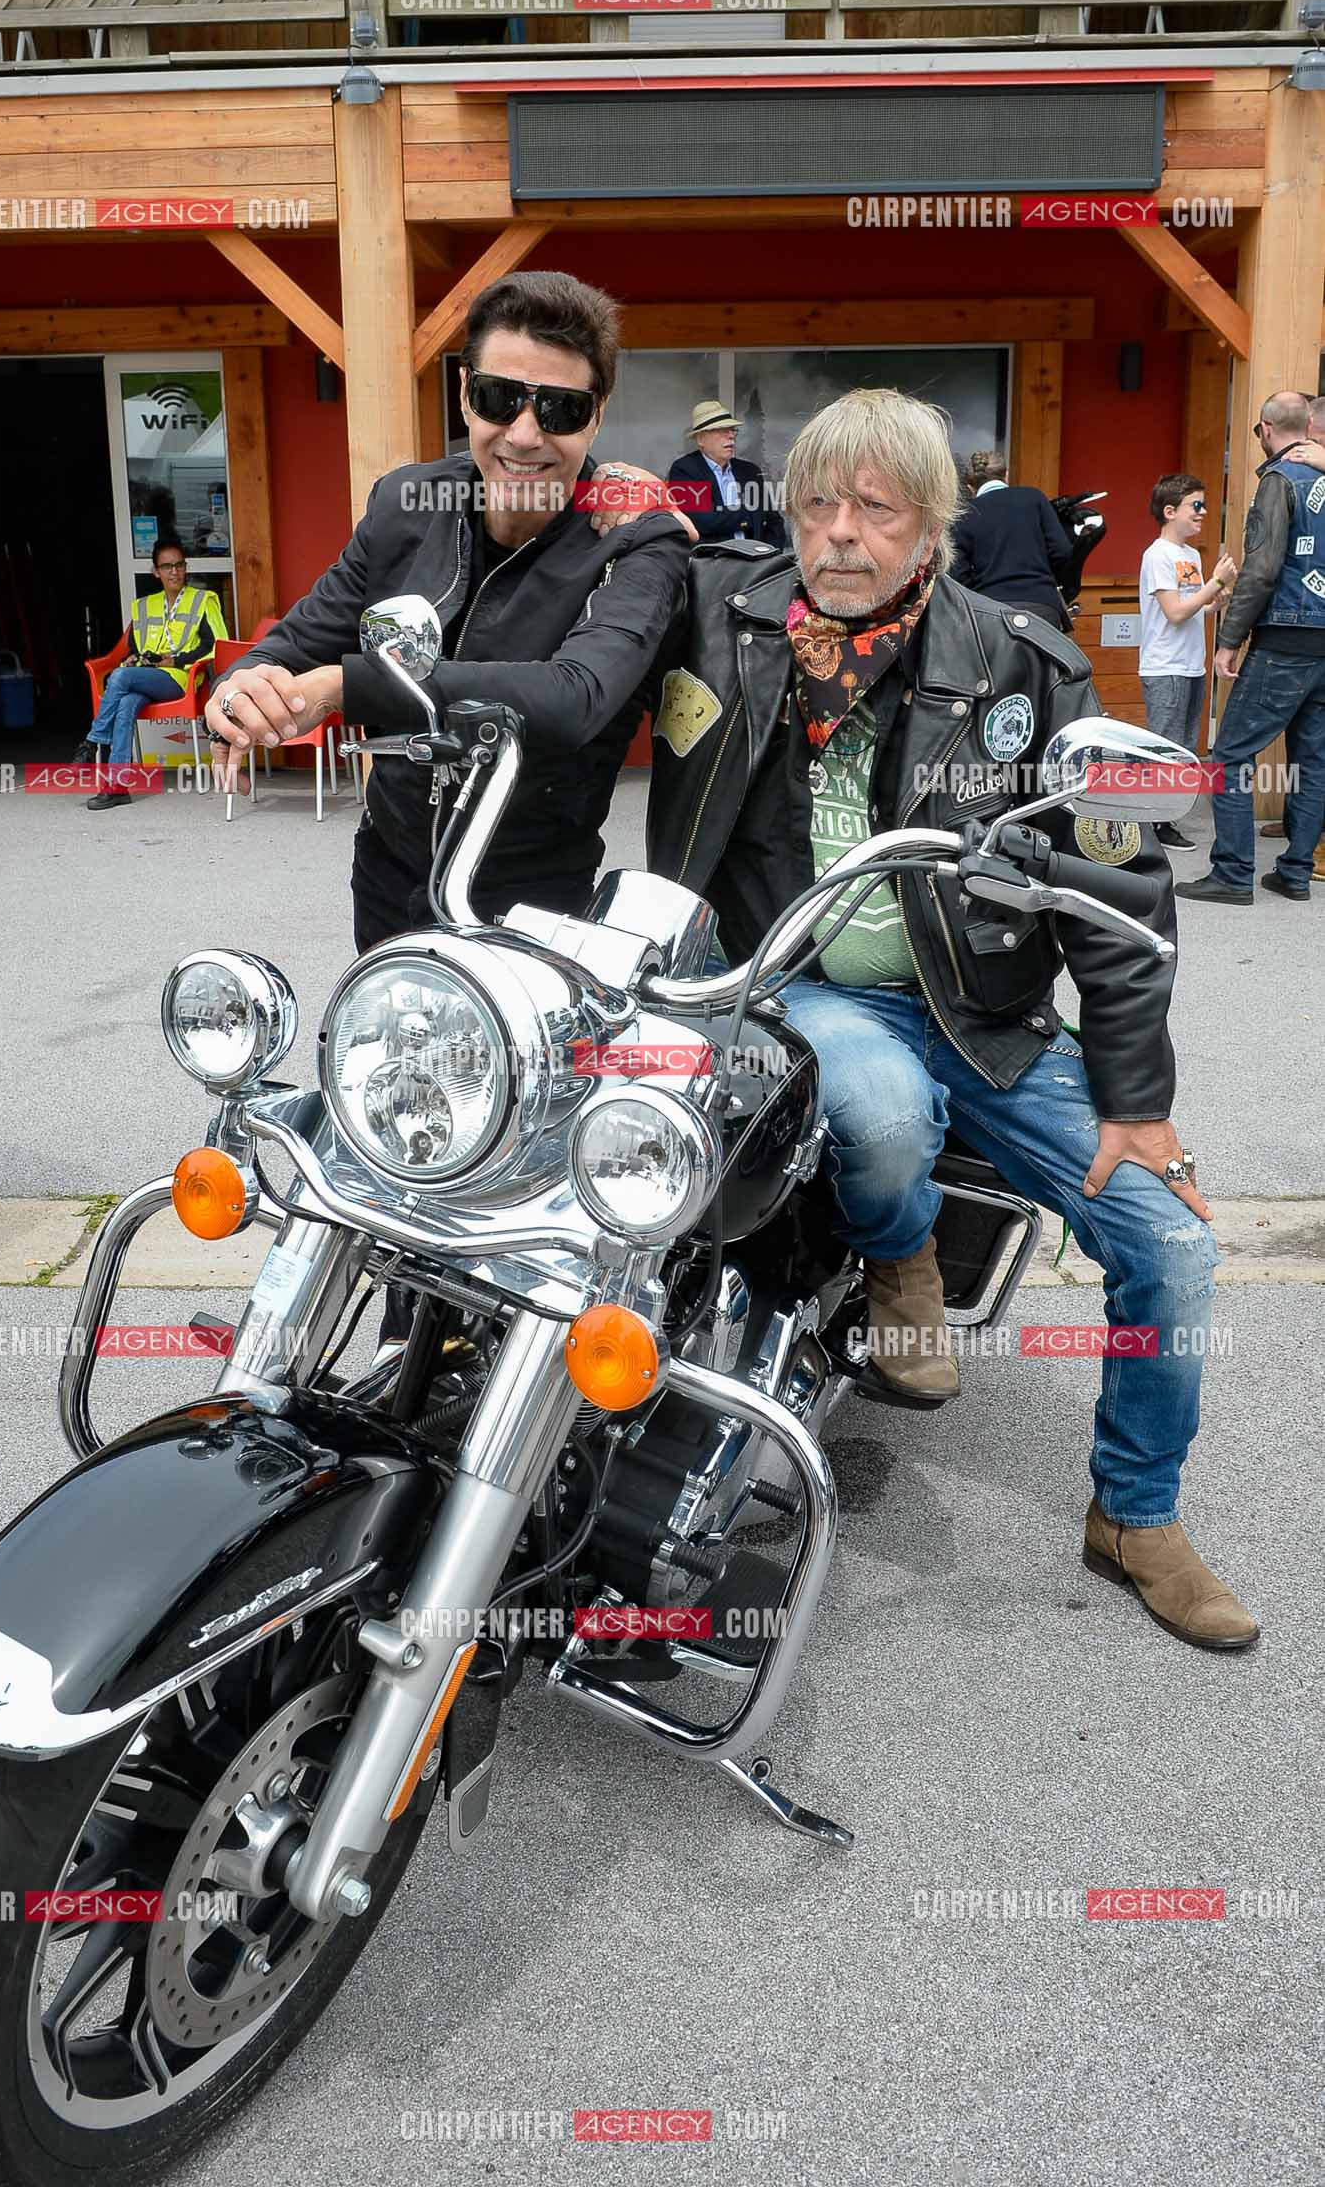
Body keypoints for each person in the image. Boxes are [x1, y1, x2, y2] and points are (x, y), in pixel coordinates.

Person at [649, 386, 1254, 1653]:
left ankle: (1134, 1518)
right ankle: (900, 1260)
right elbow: (568, 641)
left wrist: (1137, 1105)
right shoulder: (723, 616)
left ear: (931, 529)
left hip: (987, 1020)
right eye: (817, 502)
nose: (840, 534)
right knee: (873, 1103)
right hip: (797, 988)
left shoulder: (1022, 661)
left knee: (1176, 1247)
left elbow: (1119, 890)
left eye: (876, 508)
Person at [207, 270, 692, 942]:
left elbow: (572, 698)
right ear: (465, 395)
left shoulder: (638, 538)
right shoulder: (405, 503)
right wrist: (239, 689)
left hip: (531, 906)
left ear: (597, 416)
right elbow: (295, 641)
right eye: (499, 398)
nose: (525, 435)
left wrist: (346, 686)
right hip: (390, 873)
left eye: (559, 410)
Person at [1176, 392, 1325, 904]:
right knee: (1315, 759)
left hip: (1285, 637)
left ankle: (1233, 873)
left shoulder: (1279, 481)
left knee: (1229, 754)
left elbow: (1261, 570)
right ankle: (1296, 872)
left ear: (1263, 429)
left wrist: (1229, 640)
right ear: (1307, 423)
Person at [76, 540, 223, 812]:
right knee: (126, 703)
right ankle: (117, 788)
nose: (174, 572)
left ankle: (92, 741)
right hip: (145, 676)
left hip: (179, 678)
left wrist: (176, 660)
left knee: (119, 678)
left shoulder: (202, 601)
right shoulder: (145, 606)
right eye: (167, 566)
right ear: (156, 571)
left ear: (185, 568)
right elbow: (132, 646)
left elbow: (213, 645)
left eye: (179, 565)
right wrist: (132, 658)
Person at [1137, 473, 1236, 851]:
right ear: (1169, 511)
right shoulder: (1158, 554)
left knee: (1183, 751)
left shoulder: (1190, 556)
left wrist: (1216, 601)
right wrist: (1214, 583)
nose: (1203, 512)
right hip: (1166, 668)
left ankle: (1163, 821)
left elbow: (1192, 608)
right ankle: (1150, 826)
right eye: (1196, 505)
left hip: (1191, 665)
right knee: (1164, 752)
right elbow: (1175, 612)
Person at [949, 448, 1074, 631]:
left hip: (991, 613)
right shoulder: (1034, 498)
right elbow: (1062, 551)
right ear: (1006, 475)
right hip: (1042, 606)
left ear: (970, 486)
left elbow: (958, 576)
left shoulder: (964, 515)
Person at [667, 401, 786, 551]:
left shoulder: (749, 471)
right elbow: (705, 522)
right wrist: (750, 515)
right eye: (722, 430)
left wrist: (770, 555)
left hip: (757, 562)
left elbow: (773, 521)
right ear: (700, 439)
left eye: (732, 430)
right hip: (713, 563)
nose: (731, 436)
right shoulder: (685, 470)